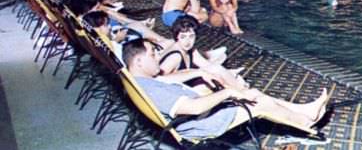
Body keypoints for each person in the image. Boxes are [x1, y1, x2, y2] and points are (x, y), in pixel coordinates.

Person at [123, 39, 331, 140]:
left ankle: (304, 111)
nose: (157, 57)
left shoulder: (140, 80)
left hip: (196, 116)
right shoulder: (152, 89)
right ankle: (305, 123)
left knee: (253, 94)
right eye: (152, 55)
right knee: (260, 103)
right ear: (140, 61)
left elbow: (167, 79)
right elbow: (193, 108)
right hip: (201, 123)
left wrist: (197, 73)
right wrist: (228, 93)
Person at [159, 16, 245, 89]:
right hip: (175, 90)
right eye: (183, 37)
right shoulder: (175, 56)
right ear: (176, 37)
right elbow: (158, 80)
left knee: (217, 67)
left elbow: (207, 65)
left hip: (185, 84)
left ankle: (237, 87)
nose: (187, 41)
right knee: (216, 72)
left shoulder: (190, 50)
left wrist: (227, 73)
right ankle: (241, 90)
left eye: (191, 36)